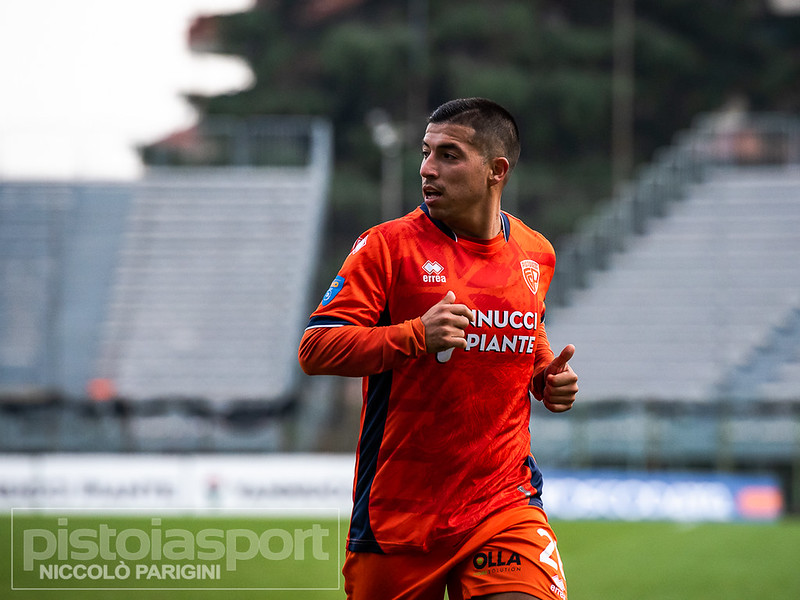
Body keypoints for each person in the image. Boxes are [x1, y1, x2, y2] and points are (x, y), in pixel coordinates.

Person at [298, 97, 578, 600]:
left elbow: (527, 327)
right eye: (426, 153)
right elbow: (316, 348)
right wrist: (414, 336)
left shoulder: (536, 253)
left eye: (449, 155)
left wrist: (544, 374)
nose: (428, 168)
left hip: (503, 504)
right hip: (400, 519)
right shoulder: (387, 247)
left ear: (496, 171)